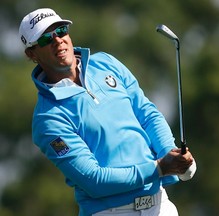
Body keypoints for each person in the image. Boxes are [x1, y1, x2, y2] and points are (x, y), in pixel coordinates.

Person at [19, 8, 196, 216]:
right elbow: (94, 179)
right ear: (32, 54)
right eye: (46, 39)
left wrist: (172, 155)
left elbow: (146, 114)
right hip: (111, 212)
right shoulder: (48, 118)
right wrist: (159, 169)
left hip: (161, 205)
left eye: (61, 30)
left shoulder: (106, 63)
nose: (58, 40)